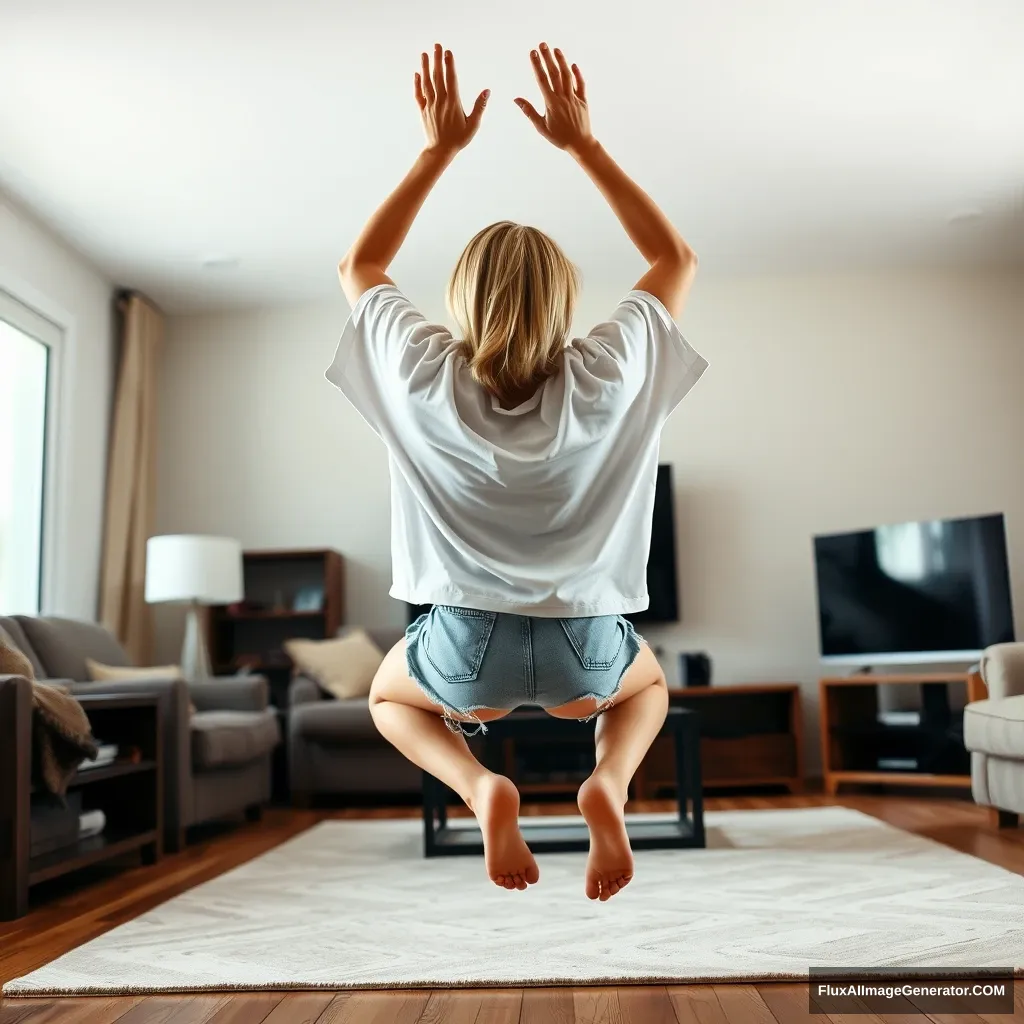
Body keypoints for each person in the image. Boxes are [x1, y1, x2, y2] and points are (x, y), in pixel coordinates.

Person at [329, 42, 706, 901]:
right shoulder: (609, 372)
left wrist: (437, 151)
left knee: (391, 702)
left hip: (466, 649)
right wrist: (584, 146)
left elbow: (360, 269)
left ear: (463, 299)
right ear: (564, 300)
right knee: (646, 687)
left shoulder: (422, 373)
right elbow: (675, 262)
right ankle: (604, 786)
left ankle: (479, 788)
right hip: (587, 647)